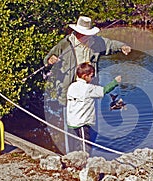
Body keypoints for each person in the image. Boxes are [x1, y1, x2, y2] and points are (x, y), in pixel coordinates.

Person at [43, 16, 131, 154]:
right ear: (77, 32)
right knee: (71, 125)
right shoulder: (65, 44)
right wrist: (50, 60)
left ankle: (87, 152)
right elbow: (49, 58)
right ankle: (70, 154)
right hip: (69, 90)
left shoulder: (95, 42)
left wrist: (122, 47)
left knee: (89, 122)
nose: (86, 37)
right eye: (84, 34)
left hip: (88, 89)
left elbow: (109, 44)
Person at [66, 62, 121, 154]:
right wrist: (115, 82)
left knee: (73, 150)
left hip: (71, 124)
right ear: (84, 76)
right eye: (91, 76)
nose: (92, 78)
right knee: (85, 150)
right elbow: (104, 90)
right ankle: (84, 166)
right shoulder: (89, 88)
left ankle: (72, 166)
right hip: (82, 125)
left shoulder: (72, 86)